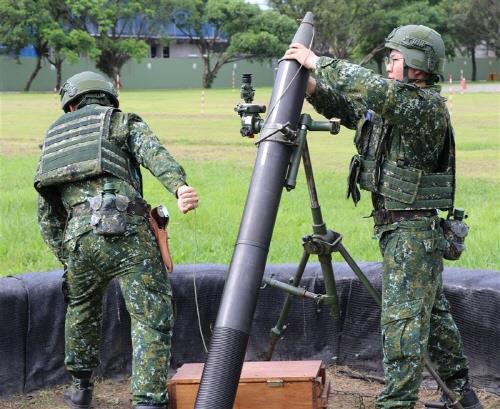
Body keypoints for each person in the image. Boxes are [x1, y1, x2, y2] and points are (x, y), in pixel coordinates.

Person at [283, 25, 482, 409]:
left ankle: (397, 402)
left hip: (413, 232)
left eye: (393, 59)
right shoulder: (395, 106)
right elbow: (352, 109)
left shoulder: (423, 106)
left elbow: (371, 90)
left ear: (417, 66)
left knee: (402, 324)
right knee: (434, 315)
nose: (387, 65)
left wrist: (317, 61)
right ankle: (462, 394)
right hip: (401, 230)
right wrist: (311, 88)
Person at [34, 71, 199, 409]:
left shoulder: (54, 138)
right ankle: (148, 402)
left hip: (78, 237)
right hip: (129, 232)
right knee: (150, 315)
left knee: (81, 309)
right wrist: (179, 187)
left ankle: (80, 390)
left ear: (70, 104)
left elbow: (48, 214)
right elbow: (153, 153)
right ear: (108, 97)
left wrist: (67, 255)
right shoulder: (121, 121)